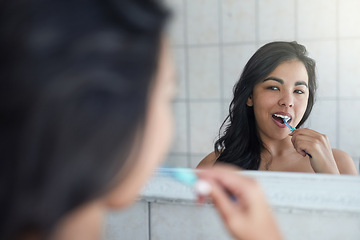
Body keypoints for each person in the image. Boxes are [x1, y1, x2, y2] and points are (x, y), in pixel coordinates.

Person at [0, 0, 283, 240]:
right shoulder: (215, 161)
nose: (287, 99)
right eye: (167, 97)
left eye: (300, 90)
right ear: (102, 116)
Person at [197, 41, 358, 175]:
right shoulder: (212, 166)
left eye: (298, 91)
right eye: (273, 88)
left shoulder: (339, 163)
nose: (287, 101)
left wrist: (328, 173)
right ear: (250, 96)